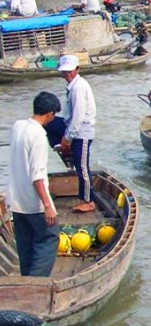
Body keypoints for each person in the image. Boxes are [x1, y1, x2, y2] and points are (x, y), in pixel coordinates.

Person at [7, 92, 62, 277]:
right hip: (33, 203)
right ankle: (36, 284)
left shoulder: (18, 126)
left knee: (25, 245)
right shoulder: (39, 135)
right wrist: (47, 205)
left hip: (16, 200)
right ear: (50, 114)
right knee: (50, 236)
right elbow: (37, 176)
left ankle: (25, 283)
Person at [55, 55, 98, 213]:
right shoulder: (72, 86)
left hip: (82, 133)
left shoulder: (78, 87)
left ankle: (88, 200)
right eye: (65, 72)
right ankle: (66, 155)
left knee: (82, 168)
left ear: (77, 70)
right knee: (50, 123)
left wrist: (68, 138)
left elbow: (78, 117)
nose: (67, 74)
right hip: (73, 129)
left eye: (70, 71)